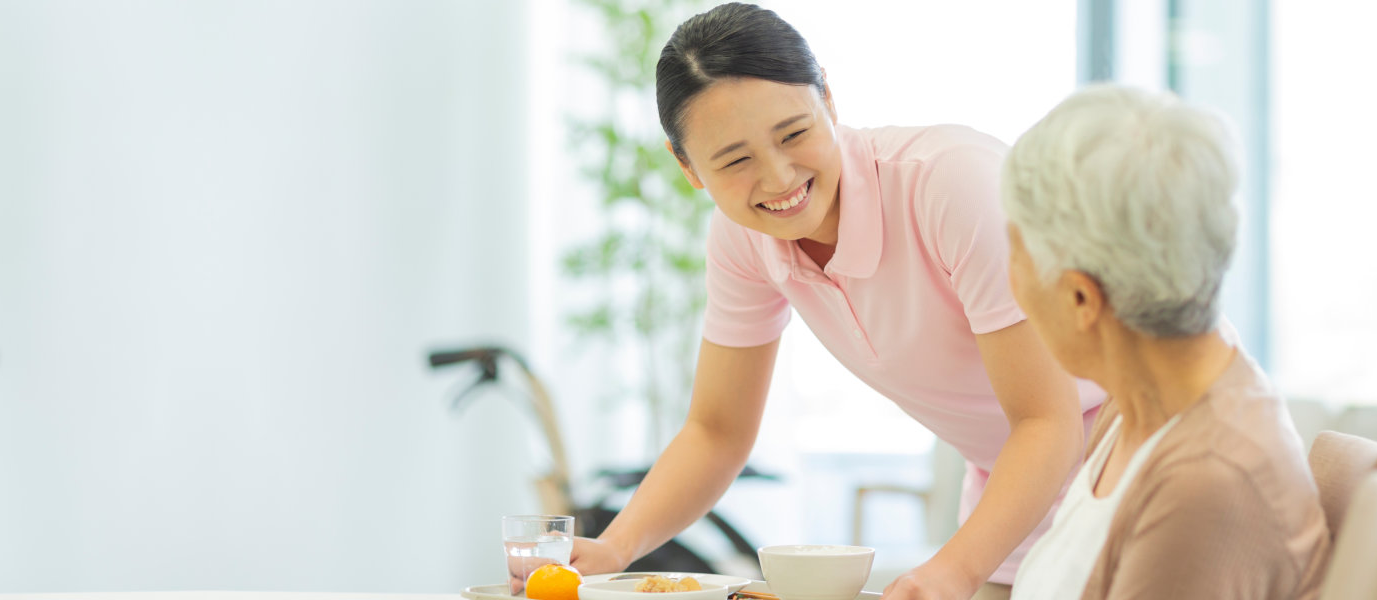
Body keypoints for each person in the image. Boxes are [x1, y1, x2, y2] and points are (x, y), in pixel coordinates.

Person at [555, 4, 1106, 600]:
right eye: (735, 160)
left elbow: (1048, 421)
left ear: (829, 98)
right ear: (687, 167)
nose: (778, 178)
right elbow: (716, 430)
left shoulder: (952, 184)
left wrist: (952, 570)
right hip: (1017, 485)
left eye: (794, 133)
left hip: (1136, 449)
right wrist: (613, 549)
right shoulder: (742, 238)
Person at [1001, 86, 1331, 600]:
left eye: (1014, 251)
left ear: (1082, 299)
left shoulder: (1207, 485)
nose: (1010, 281)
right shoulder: (1136, 407)